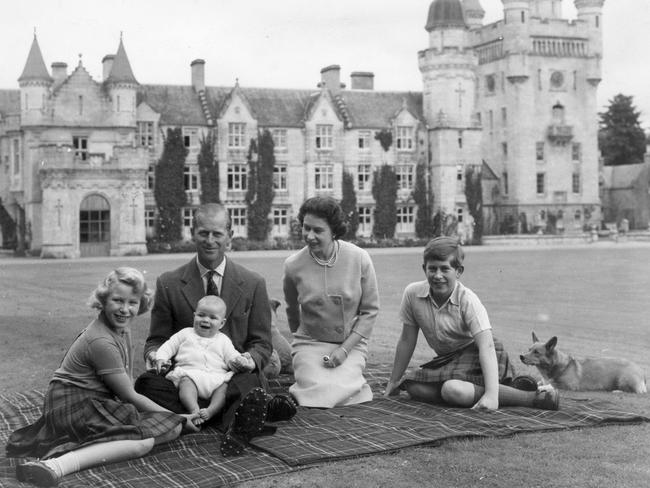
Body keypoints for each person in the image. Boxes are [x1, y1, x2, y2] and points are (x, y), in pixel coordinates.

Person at [6, 267, 199, 487]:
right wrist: (182, 417)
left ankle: (87, 446)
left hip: (94, 401)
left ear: (141, 304)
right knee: (144, 442)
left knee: (170, 428)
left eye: (132, 302)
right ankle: (55, 465)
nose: (125, 310)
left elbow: (127, 382)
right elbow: (130, 396)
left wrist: (175, 420)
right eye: (117, 300)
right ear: (103, 300)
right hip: (71, 403)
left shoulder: (122, 330)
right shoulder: (101, 341)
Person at [134, 203, 296, 457]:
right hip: (186, 382)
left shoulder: (253, 283)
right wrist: (155, 357)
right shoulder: (169, 282)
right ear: (192, 233)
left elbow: (262, 343)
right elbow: (157, 340)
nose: (210, 241)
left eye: (217, 234)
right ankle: (241, 416)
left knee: (250, 381)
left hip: (231, 380)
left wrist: (249, 360)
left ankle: (195, 417)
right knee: (145, 384)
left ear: (229, 237)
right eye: (203, 233)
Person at [384, 236, 559, 411]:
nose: (438, 276)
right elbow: (407, 339)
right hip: (447, 360)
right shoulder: (412, 294)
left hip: (479, 355)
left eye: (445, 269)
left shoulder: (468, 300)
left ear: (458, 271)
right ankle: (507, 390)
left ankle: (533, 397)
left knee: (452, 389)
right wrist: (393, 381)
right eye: (432, 269)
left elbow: (487, 346)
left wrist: (491, 396)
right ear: (424, 269)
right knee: (412, 386)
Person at [283, 196, 379, 407]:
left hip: (350, 344)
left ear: (334, 231)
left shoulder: (359, 258)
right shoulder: (293, 265)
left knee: (344, 389)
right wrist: (302, 343)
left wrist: (345, 350)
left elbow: (370, 311)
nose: (309, 236)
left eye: (318, 230)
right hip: (310, 343)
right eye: (306, 228)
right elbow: (291, 310)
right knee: (316, 387)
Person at [155, 295, 249, 425]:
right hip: (191, 374)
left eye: (212, 317)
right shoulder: (185, 333)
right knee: (185, 384)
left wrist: (240, 360)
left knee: (223, 389)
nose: (206, 320)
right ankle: (194, 409)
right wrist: (161, 358)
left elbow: (231, 355)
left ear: (222, 323)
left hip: (216, 378)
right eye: (201, 315)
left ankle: (211, 410)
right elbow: (169, 345)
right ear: (194, 316)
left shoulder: (223, 340)